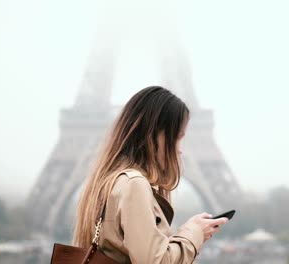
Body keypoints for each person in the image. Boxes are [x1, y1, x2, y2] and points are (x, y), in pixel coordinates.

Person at [72, 86, 229, 263]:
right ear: (152, 135)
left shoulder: (107, 182)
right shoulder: (134, 184)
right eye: (177, 137)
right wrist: (193, 233)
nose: (180, 150)